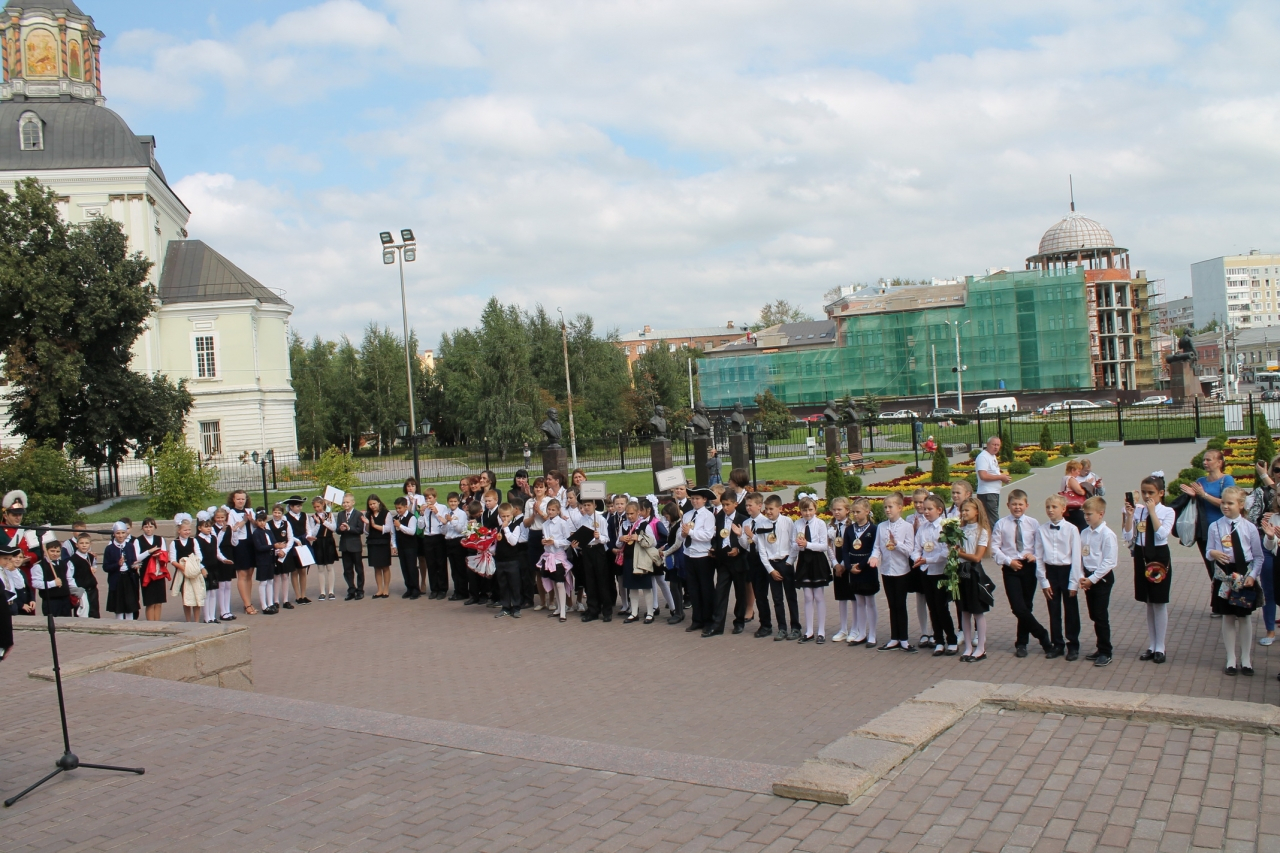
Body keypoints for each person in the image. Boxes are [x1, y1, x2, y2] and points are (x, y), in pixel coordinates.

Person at [991, 489, 1053, 658]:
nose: (1017, 507)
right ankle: (1042, 634)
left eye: (1020, 504)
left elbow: (1039, 545)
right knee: (1017, 607)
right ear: (1008, 505)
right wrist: (1008, 561)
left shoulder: (1033, 523)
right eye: (1014, 504)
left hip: (1028, 566)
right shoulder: (1001, 524)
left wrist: (1034, 555)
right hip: (1011, 567)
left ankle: (1022, 643)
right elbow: (995, 547)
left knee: (1026, 606)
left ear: (1026, 505)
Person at [1208, 486, 1263, 675]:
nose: (1225, 506)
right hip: (1225, 575)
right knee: (1228, 616)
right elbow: (1209, 551)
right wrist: (1213, 553)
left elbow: (1258, 556)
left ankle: (1246, 659)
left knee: (1245, 617)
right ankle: (1231, 658)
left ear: (1240, 505)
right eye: (1223, 502)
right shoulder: (1215, 526)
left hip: (1244, 574)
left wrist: (1252, 576)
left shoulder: (1249, 528)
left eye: (1230, 503)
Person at [1124, 473, 1176, 664]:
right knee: (1148, 601)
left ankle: (1160, 646)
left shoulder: (1167, 511)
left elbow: (1162, 534)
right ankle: (1152, 644)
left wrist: (1152, 512)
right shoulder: (1139, 511)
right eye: (1144, 492)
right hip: (1142, 554)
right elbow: (1128, 536)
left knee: (1159, 601)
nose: (1147, 496)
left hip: (1158, 556)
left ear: (1161, 493)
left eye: (1151, 493)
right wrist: (1129, 516)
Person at [1180, 447, 1235, 615]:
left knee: (1227, 567)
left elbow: (1227, 502)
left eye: (1209, 459)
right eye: (1204, 459)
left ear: (1219, 462)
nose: (1205, 462)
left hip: (1224, 531)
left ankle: (1232, 602)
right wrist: (1193, 495)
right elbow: (1197, 502)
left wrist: (1203, 495)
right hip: (1205, 531)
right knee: (1212, 568)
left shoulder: (1226, 480)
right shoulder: (1200, 481)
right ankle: (1218, 605)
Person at [1035, 495, 1081, 661]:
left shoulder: (1072, 529)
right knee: (1053, 610)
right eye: (1048, 507)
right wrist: (1043, 581)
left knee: (1071, 610)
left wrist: (1074, 582)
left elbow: (1076, 556)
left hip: (1067, 571)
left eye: (1054, 507)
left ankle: (1073, 644)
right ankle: (1057, 644)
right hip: (1051, 572)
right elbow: (1039, 556)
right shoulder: (1041, 530)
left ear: (1063, 509)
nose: (1050, 510)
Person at [911, 495, 957, 656]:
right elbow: (916, 548)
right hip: (926, 572)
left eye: (929, 509)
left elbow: (946, 552)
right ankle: (939, 641)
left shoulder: (945, 527)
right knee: (932, 607)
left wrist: (927, 560)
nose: (926, 512)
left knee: (942, 608)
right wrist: (917, 558)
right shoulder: (923, 528)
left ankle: (952, 640)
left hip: (940, 572)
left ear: (939, 510)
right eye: (925, 509)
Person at [870, 492, 915, 651]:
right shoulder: (882, 526)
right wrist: (874, 557)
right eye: (885, 507)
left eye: (890, 507)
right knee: (892, 604)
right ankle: (894, 637)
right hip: (886, 570)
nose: (887, 510)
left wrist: (897, 544)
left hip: (901, 570)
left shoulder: (907, 527)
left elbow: (910, 550)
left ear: (900, 508)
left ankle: (904, 639)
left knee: (900, 604)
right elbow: (877, 547)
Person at [1077, 496, 1118, 667]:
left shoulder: (1107, 535)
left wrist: (1093, 579)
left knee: (1101, 615)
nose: (1086, 517)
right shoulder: (1085, 533)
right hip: (1088, 577)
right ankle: (1100, 646)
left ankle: (1106, 651)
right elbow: (1081, 556)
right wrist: (1082, 575)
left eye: (1089, 514)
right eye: (1085, 514)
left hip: (1102, 578)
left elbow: (1109, 561)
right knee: (1093, 614)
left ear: (1101, 514)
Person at [954, 498, 993, 662]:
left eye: (967, 510)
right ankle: (968, 646)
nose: (963, 513)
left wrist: (958, 553)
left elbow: (977, 557)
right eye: (962, 510)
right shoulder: (959, 530)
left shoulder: (981, 531)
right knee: (964, 610)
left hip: (973, 571)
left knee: (977, 610)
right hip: (960, 571)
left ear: (976, 511)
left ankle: (981, 648)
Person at [707, 490, 750, 637]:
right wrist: (714, 547)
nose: (725, 508)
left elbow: (748, 541)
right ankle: (717, 625)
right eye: (723, 504)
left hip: (738, 561)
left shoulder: (743, 519)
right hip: (723, 561)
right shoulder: (719, 517)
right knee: (720, 592)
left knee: (740, 593)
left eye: (728, 505)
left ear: (735, 504)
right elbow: (716, 537)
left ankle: (739, 622)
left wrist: (738, 549)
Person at [1248, 454, 1280, 645]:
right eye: (1277, 470)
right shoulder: (1263, 492)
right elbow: (1251, 516)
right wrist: (1264, 520)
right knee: (1269, 588)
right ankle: (1270, 630)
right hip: (1268, 545)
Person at [677, 487, 717, 633]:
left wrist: (691, 532)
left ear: (704, 500)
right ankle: (697, 619)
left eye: (697, 499)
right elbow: (680, 535)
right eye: (692, 499)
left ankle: (708, 620)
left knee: (706, 589)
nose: (694, 501)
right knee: (693, 589)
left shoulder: (708, 516)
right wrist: (683, 534)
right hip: (689, 554)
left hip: (703, 556)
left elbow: (708, 535)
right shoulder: (687, 515)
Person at [792, 497, 831, 643]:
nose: (807, 513)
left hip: (817, 560)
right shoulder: (797, 524)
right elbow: (792, 544)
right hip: (804, 561)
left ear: (815, 509)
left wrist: (807, 544)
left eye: (810, 510)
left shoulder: (820, 524)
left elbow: (824, 546)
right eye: (804, 510)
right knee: (808, 596)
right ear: (800, 510)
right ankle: (809, 631)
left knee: (819, 596)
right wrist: (798, 545)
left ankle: (821, 631)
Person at [845, 497, 879, 647]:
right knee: (859, 601)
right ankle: (861, 633)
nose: (855, 515)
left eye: (858, 512)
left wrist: (862, 565)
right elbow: (845, 549)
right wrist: (849, 566)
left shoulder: (873, 529)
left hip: (867, 568)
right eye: (853, 512)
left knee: (870, 601)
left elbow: (874, 549)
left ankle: (872, 634)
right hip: (854, 570)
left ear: (867, 511)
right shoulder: (849, 529)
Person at [538, 498, 573, 622]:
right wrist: (544, 541)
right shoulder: (545, 524)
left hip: (558, 556)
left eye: (553, 510)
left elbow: (568, 541)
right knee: (553, 582)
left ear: (558, 511)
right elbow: (545, 538)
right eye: (549, 509)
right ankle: (558, 608)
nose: (550, 512)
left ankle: (563, 610)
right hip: (548, 556)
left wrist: (555, 542)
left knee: (559, 583)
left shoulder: (562, 523)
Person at [127, 518, 168, 621]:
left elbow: (165, 554)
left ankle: (157, 623)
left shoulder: (160, 539)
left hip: (158, 573)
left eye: (151, 526)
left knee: (159, 602)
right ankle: (150, 624)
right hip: (146, 573)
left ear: (155, 527)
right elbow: (136, 558)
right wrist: (149, 552)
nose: (148, 529)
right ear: (142, 528)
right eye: (146, 527)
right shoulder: (138, 540)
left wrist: (160, 556)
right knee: (150, 602)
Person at [827, 497, 856, 643]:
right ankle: (843, 629)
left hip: (849, 565)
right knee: (841, 597)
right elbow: (828, 546)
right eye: (834, 509)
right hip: (837, 564)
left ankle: (855, 628)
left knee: (854, 597)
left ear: (847, 510)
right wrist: (835, 564)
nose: (836, 512)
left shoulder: (852, 526)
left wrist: (844, 564)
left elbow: (852, 546)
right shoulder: (830, 526)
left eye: (839, 509)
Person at [225, 490, 256, 616]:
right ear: (233, 500)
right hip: (240, 544)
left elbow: (257, 525)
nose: (241, 501)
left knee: (250, 573)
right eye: (238, 499)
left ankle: (248, 602)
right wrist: (244, 521)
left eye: (243, 499)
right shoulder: (231, 513)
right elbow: (232, 530)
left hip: (251, 542)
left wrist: (251, 520)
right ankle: (247, 604)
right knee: (242, 574)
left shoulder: (249, 511)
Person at [169, 515, 204, 623]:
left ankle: (196, 621)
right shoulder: (174, 543)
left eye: (189, 530)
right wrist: (183, 568)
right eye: (185, 530)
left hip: (194, 572)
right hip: (182, 573)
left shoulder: (194, 541)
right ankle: (188, 621)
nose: (187, 532)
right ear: (179, 530)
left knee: (197, 597)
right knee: (186, 599)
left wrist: (192, 565)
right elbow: (173, 560)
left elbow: (199, 556)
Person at [909, 487, 932, 647]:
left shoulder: (932, 517)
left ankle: (935, 631)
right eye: (915, 502)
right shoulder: (910, 518)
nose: (918, 505)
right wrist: (914, 530)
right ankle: (924, 632)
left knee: (933, 598)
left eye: (921, 502)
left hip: (932, 561)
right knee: (920, 597)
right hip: (917, 560)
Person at [494, 503, 524, 618]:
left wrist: (506, 528)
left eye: (507, 516)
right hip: (500, 560)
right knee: (503, 585)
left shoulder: (515, 527)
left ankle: (516, 607)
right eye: (503, 516)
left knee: (514, 585)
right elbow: (496, 543)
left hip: (512, 560)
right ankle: (505, 607)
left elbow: (513, 542)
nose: (505, 518)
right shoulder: (498, 528)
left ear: (512, 515)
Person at [419, 488, 450, 599]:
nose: (428, 500)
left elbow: (444, 522)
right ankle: (434, 588)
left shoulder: (442, 507)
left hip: (439, 537)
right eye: (426, 498)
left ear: (435, 497)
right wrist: (421, 514)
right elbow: (420, 526)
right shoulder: (424, 509)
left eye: (430, 498)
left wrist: (436, 513)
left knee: (441, 563)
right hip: (428, 537)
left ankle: (443, 589)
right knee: (430, 564)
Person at [103, 521, 139, 620]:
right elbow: (106, 567)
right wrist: (117, 565)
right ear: (114, 534)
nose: (121, 535)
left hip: (128, 578)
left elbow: (133, 560)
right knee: (119, 607)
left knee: (130, 605)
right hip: (117, 580)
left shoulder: (130, 546)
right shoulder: (109, 548)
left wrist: (134, 566)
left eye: (123, 533)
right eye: (118, 533)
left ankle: (130, 623)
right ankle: (119, 624)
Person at [32, 536, 73, 617]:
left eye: (57, 551)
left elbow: (69, 579)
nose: (55, 554)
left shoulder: (64, 564)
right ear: (46, 551)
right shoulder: (39, 566)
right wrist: (53, 583)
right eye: (52, 551)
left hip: (65, 600)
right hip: (51, 601)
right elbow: (36, 583)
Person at [308, 496, 339, 601]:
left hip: (328, 541)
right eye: (315, 507)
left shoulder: (329, 515)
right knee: (320, 568)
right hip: (318, 542)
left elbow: (333, 528)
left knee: (329, 567)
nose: (317, 509)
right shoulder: (312, 518)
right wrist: (318, 523)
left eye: (318, 506)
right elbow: (312, 533)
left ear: (323, 505)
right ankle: (322, 592)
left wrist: (324, 521)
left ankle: (331, 591)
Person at [336, 493, 366, 601]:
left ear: (353, 502)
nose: (345, 504)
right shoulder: (340, 514)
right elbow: (337, 530)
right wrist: (340, 529)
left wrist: (349, 528)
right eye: (344, 502)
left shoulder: (358, 514)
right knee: (347, 569)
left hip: (355, 545)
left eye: (347, 502)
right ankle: (351, 589)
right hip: (345, 546)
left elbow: (360, 530)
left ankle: (360, 590)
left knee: (359, 569)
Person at [391, 496, 421, 600]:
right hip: (401, 546)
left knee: (411, 567)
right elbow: (393, 533)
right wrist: (394, 545)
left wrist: (400, 526)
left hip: (410, 546)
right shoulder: (395, 518)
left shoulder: (411, 517)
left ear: (406, 507)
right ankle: (409, 588)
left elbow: (412, 531)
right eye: (396, 508)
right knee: (404, 568)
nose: (398, 510)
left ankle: (416, 589)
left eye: (400, 508)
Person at [974, 436, 1010, 523]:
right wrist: (1001, 477)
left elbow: (993, 473)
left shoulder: (992, 456)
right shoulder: (983, 457)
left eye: (998, 445)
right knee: (993, 520)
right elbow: (983, 476)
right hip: (987, 493)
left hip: (993, 492)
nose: (996, 447)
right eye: (994, 444)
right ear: (988, 444)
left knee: (991, 519)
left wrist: (1003, 478)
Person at [210, 507, 238, 620]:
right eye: (218, 517)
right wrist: (222, 531)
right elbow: (216, 543)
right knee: (221, 585)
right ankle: (222, 612)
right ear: (214, 518)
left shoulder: (229, 527)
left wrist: (235, 532)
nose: (220, 519)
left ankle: (227, 610)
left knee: (228, 584)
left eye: (222, 517)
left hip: (229, 555)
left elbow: (234, 543)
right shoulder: (212, 529)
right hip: (219, 556)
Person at [267, 504, 296, 610]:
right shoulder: (268, 524)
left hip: (285, 553)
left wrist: (284, 551)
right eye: (275, 512)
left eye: (279, 513)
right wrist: (277, 550)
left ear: (282, 514)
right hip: (274, 553)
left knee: (285, 576)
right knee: (276, 577)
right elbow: (269, 539)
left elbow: (290, 538)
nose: (277, 514)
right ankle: (275, 601)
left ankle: (285, 600)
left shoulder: (286, 524)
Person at [284, 496, 312, 605]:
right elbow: (287, 532)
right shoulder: (286, 517)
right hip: (293, 544)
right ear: (291, 507)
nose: (300, 508)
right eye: (297, 506)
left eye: (300, 506)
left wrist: (308, 536)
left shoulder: (304, 515)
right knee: (294, 571)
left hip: (303, 544)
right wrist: (295, 540)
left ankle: (303, 595)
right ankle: (297, 596)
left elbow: (308, 529)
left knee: (303, 570)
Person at [196, 513, 222, 623]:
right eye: (206, 526)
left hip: (214, 568)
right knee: (206, 593)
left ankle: (212, 616)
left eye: (210, 526)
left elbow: (217, 552)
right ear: (199, 528)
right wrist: (202, 567)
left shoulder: (213, 538)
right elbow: (197, 556)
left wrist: (223, 559)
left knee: (213, 593)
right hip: (205, 569)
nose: (208, 528)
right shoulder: (197, 540)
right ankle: (207, 617)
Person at [251, 510, 279, 614]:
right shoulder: (256, 533)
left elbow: (274, 542)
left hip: (270, 558)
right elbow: (259, 547)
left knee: (270, 581)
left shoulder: (268, 531)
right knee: (263, 582)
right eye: (259, 521)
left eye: (263, 520)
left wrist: (278, 546)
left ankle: (270, 603)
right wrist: (273, 546)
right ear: (256, 521)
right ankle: (264, 605)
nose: (262, 523)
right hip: (262, 560)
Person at [365, 495, 392, 599]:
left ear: (379, 502)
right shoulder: (368, 514)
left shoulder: (386, 513)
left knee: (385, 566)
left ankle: (386, 589)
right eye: (370, 504)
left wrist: (375, 525)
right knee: (376, 567)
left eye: (374, 503)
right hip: (372, 542)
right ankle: (379, 589)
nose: (372, 506)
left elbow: (388, 528)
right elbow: (366, 531)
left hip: (383, 541)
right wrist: (367, 524)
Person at [67, 531, 99, 619]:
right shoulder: (73, 560)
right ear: (77, 545)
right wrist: (76, 590)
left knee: (94, 612)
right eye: (81, 543)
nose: (84, 545)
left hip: (92, 590)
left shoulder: (91, 557)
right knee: (82, 613)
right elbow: (69, 577)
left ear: (90, 544)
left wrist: (94, 568)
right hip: (81, 591)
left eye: (86, 543)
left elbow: (94, 565)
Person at [444, 492, 469, 600]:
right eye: (451, 501)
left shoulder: (461, 514)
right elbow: (444, 530)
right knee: (453, 569)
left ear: (458, 502)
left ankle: (463, 591)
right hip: (449, 541)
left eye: (455, 501)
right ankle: (457, 590)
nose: (453, 503)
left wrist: (452, 521)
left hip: (458, 541)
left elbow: (462, 530)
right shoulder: (446, 513)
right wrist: (445, 523)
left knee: (460, 568)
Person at [1060, 460, 1088, 530]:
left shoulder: (1064, 478)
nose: (1078, 473)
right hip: (1073, 507)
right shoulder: (1071, 479)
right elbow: (1080, 491)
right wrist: (1084, 490)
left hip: (1066, 508)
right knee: (1082, 526)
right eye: (1078, 471)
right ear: (1073, 470)